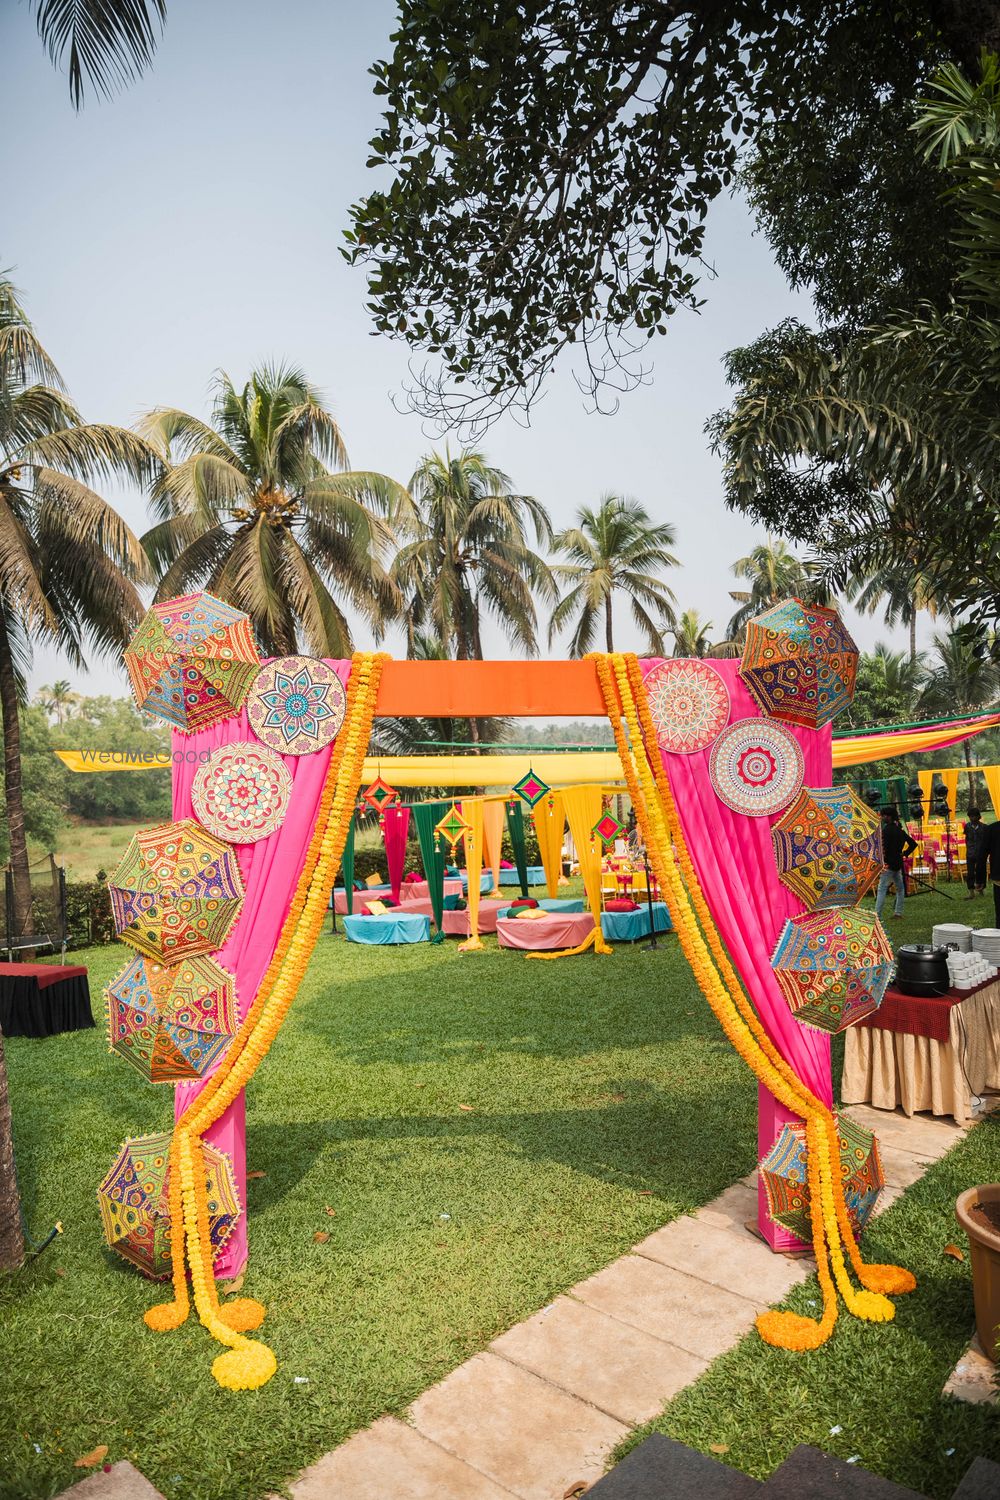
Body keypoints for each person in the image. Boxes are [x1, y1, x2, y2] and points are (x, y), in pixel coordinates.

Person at [875, 807, 918, 921]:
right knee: (900, 888)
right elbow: (913, 844)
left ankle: (877, 915)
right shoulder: (900, 830)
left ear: (889, 816)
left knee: (882, 889)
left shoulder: (885, 831)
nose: (882, 817)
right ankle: (898, 912)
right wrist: (905, 853)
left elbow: (883, 848)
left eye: (883, 815)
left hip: (888, 864)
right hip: (897, 863)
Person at [963, 807, 990, 898]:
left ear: (978, 817)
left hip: (981, 854)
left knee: (981, 872)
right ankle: (971, 892)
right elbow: (967, 839)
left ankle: (981, 889)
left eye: (974, 816)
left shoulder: (985, 827)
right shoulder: (967, 826)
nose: (972, 818)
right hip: (970, 853)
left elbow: (987, 841)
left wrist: (985, 852)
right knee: (970, 873)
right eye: (970, 816)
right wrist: (969, 849)